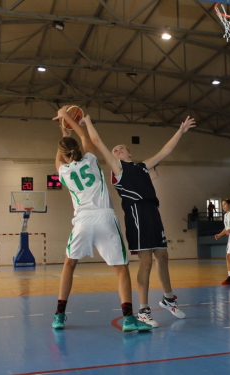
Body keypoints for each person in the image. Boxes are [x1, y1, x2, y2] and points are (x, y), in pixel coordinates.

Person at [84, 114, 196, 328]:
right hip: (136, 214)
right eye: (115, 150)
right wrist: (89, 122)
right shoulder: (118, 169)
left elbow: (165, 151)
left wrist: (180, 132)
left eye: (121, 148)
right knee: (145, 262)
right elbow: (98, 143)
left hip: (153, 211)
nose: (117, 150)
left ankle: (168, 298)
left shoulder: (142, 166)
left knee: (163, 256)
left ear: (130, 152)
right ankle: (144, 310)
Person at [51, 107, 151, 333]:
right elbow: (85, 136)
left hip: (83, 220)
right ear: (77, 150)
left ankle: (59, 315)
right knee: (121, 269)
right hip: (104, 217)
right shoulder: (91, 160)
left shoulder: (64, 172)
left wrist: (63, 134)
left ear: (63, 155)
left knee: (69, 265)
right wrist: (68, 119)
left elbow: (60, 157)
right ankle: (128, 318)